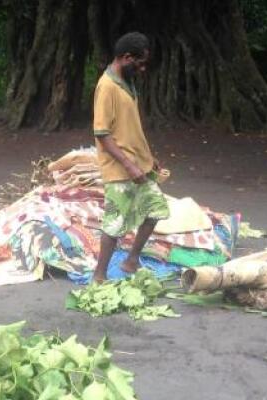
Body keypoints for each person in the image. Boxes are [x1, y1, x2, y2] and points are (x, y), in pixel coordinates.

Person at [92, 32, 170, 283]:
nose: (143, 68)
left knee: (156, 209)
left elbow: (130, 127)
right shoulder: (106, 87)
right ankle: (99, 276)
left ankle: (131, 260)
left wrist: (148, 157)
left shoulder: (128, 83)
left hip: (140, 164)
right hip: (119, 167)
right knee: (114, 224)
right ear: (126, 57)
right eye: (139, 63)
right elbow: (102, 133)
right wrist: (128, 164)